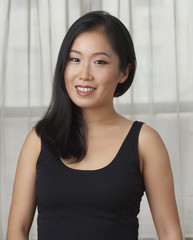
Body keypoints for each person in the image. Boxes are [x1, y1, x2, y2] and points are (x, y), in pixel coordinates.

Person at [7, 10, 183, 240]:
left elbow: (170, 233)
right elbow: (17, 230)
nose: (84, 73)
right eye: (75, 59)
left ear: (124, 72)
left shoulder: (145, 141)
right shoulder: (39, 139)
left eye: (99, 61)